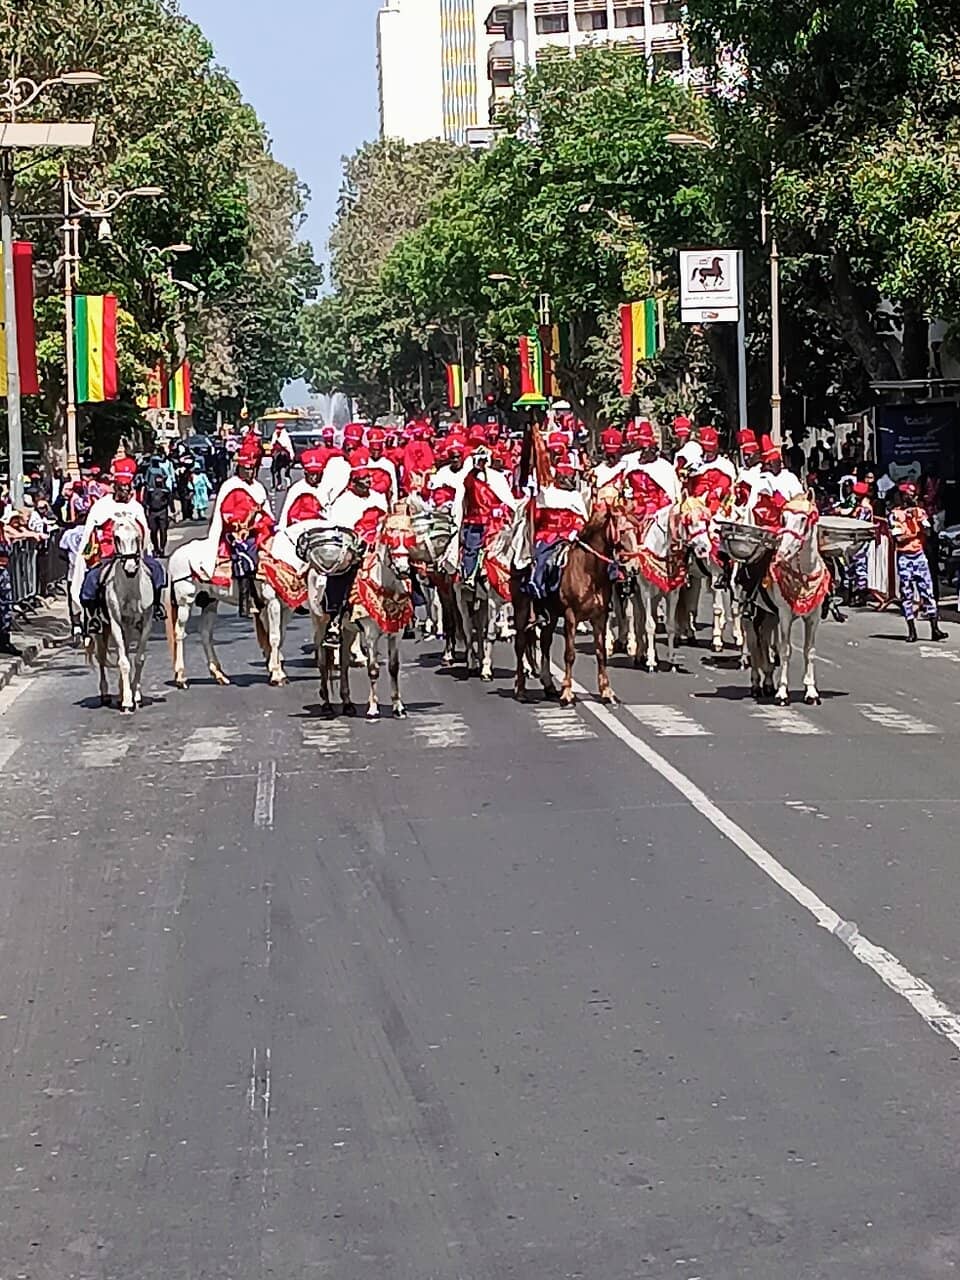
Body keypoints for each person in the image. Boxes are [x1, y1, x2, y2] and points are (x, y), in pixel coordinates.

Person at [71, 458, 166, 632]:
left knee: (158, 572)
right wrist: (90, 554)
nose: (125, 492)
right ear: (115, 487)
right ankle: (93, 617)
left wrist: (145, 549)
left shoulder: (136, 507)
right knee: (91, 581)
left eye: (128, 488)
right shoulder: (101, 506)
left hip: (135, 554)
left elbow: (144, 532)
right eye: (121, 488)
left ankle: (157, 605)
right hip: (108, 554)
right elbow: (90, 533)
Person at [320, 466, 388, 646]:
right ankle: (335, 621)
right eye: (363, 482)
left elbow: (385, 521)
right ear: (353, 483)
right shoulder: (343, 502)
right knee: (342, 574)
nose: (367, 484)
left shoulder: (378, 498)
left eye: (369, 480)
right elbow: (341, 531)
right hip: (355, 549)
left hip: (380, 546)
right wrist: (362, 543)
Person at [529, 458, 589, 624]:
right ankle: (538, 588)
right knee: (542, 560)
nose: (568, 479)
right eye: (566, 476)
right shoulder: (547, 494)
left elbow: (581, 518)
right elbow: (539, 518)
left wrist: (575, 531)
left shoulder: (575, 496)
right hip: (549, 534)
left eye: (570, 476)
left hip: (571, 535)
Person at [889, 481, 947, 643]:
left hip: (919, 556)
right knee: (906, 594)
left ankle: (935, 628)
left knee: (927, 592)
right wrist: (914, 531)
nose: (911, 497)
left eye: (913, 494)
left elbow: (928, 531)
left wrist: (918, 520)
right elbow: (898, 538)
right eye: (908, 495)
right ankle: (911, 631)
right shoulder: (895, 514)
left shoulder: (920, 512)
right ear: (901, 496)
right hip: (904, 557)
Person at [459, 447, 516, 584]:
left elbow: (507, 499)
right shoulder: (468, 478)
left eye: (484, 460)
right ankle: (468, 577)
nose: (481, 463)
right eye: (479, 460)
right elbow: (464, 500)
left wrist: (503, 510)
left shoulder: (497, 478)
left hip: (496, 523)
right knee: (471, 549)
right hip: (475, 521)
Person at [684, 425, 736, 515]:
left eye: (710, 450)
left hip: (718, 512)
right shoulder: (693, 464)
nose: (708, 453)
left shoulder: (726, 465)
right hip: (693, 509)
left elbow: (730, 492)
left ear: (717, 447)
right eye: (705, 450)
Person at [279, 447, 326, 527]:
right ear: (305, 473)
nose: (314, 477)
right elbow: (285, 515)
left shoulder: (326, 487)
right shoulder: (297, 489)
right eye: (311, 474)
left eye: (316, 474)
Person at [145, 475, 175, 556]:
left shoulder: (166, 490)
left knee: (163, 530)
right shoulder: (150, 489)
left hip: (162, 511)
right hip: (152, 512)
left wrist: (172, 510)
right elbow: (146, 500)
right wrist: (146, 511)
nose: (158, 481)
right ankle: (156, 548)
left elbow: (170, 500)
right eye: (157, 479)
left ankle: (162, 548)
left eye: (160, 479)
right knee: (153, 531)